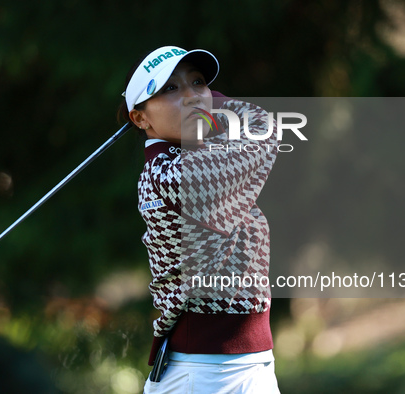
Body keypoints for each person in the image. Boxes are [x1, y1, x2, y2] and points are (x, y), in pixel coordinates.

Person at [118, 45, 280, 393]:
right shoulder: (171, 176)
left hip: (250, 365)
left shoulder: (198, 156)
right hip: (203, 374)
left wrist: (199, 101)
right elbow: (262, 126)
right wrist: (212, 102)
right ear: (140, 118)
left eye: (198, 82)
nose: (192, 95)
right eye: (171, 88)